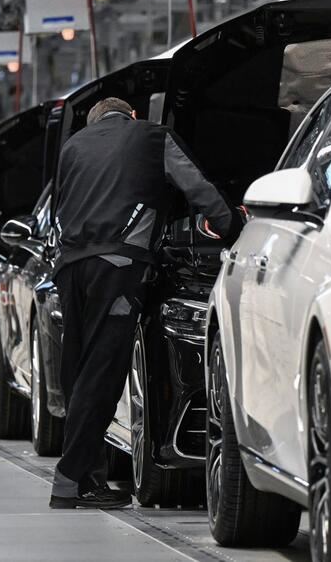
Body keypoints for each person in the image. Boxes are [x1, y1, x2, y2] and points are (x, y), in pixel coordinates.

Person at [49, 97, 234, 509]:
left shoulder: (74, 146)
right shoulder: (152, 136)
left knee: (78, 370)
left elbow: (60, 205)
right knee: (103, 371)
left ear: (95, 121)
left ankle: (87, 480)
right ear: (133, 115)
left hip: (70, 267)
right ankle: (68, 480)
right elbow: (198, 187)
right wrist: (230, 225)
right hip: (117, 265)